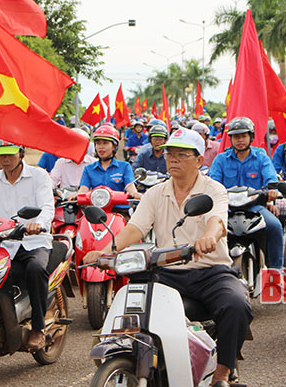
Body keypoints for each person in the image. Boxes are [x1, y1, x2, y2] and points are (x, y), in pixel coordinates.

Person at [83, 127, 252, 387]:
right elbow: (135, 228)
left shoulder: (214, 190)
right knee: (139, 312)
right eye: (169, 154)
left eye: (181, 155)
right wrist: (108, 250)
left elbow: (217, 221)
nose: (172, 159)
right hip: (167, 271)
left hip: (211, 272)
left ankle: (222, 373)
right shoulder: (155, 193)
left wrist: (209, 237)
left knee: (236, 305)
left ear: (198, 160)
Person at [0, 141, 54, 352]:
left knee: (35, 269)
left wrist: (39, 224)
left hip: (34, 242)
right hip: (3, 245)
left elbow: (47, 207)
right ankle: (8, 325)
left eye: (10, 155)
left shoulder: (39, 176)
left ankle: (39, 327)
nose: (5, 160)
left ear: (21, 153)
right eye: (1, 155)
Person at [209, 117, 283, 271]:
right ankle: (210, 270)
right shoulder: (221, 159)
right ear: (230, 139)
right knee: (206, 228)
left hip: (255, 208)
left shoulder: (261, 157)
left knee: (275, 226)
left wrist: (272, 190)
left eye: (243, 136)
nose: (240, 140)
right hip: (226, 210)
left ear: (251, 137)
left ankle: (277, 272)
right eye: (236, 136)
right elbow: (212, 183)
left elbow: (271, 178)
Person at [79, 124, 142, 216]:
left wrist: (135, 194)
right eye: (98, 143)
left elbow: (130, 188)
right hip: (95, 214)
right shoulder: (89, 169)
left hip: (119, 213)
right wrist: (75, 196)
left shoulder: (124, 166)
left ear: (114, 146)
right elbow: (83, 190)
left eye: (105, 143)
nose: (101, 147)